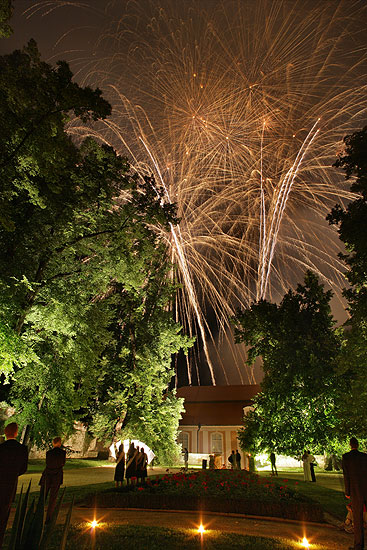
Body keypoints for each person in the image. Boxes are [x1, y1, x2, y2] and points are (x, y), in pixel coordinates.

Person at [0, 422, 28, 548]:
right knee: (4, 511)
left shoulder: (1, 448)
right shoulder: (22, 449)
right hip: (10, 483)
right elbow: (23, 468)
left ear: (6, 433)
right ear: (16, 433)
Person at [342, 436, 367, 550]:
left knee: (357, 519)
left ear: (350, 445)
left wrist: (348, 492)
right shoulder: (364, 457)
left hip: (355, 491)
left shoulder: (346, 457)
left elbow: (346, 476)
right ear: (358, 445)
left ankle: (358, 545)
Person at [39, 436, 66, 523]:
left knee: (43, 496)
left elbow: (48, 463)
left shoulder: (49, 453)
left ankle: (38, 516)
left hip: (47, 475)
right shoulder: (62, 453)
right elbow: (63, 463)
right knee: (53, 497)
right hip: (57, 476)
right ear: (59, 443)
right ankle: (49, 517)